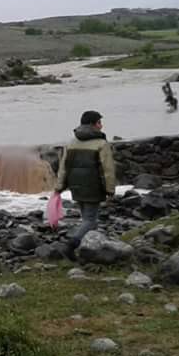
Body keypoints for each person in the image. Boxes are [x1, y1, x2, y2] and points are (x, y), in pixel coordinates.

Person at [54, 110, 117, 258]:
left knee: (86, 219)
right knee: (90, 221)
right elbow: (108, 169)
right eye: (99, 122)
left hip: (76, 187)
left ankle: (86, 250)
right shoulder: (101, 143)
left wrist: (59, 187)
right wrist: (110, 190)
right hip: (93, 187)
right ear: (92, 124)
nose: (101, 126)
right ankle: (71, 245)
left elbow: (63, 167)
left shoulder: (71, 142)